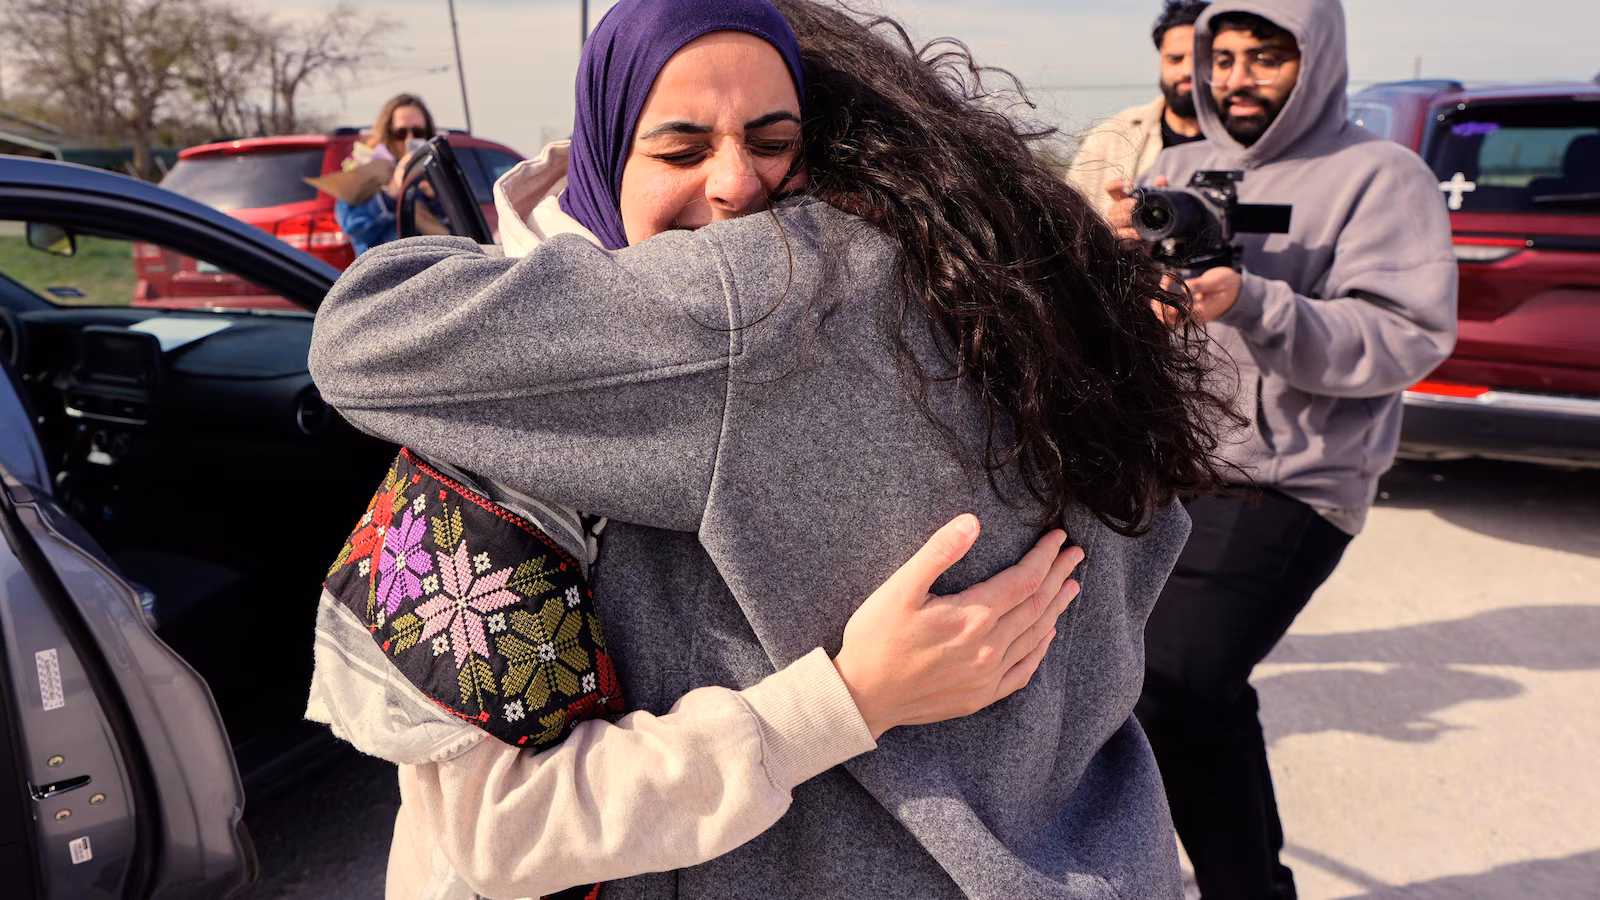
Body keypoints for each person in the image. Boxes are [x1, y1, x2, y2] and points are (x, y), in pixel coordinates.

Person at [310, 0, 1232, 898]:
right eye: (679, 148)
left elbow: (361, 333)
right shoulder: (1012, 285)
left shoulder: (790, 290)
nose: (735, 185)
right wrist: (846, 700)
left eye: (773, 141)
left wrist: (846, 705)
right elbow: (497, 828)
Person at [1106, 1, 1458, 897]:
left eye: (1265, 57)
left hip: (1294, 479)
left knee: (1176, 684)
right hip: (1173, 465)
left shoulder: (1381, 176)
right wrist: (1109, 263)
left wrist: (1256, 302)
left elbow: (1407, 336)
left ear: (1317, 58)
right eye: (1220, 58)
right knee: (1189, 695)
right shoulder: (1178, 166)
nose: (1235, 78)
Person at [1067, 0, 1208, 217]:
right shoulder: (1111, 139)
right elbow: (1068, 229)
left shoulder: (1255, 142)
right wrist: (1111, 233)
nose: (1187, 70)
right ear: (1161, 60)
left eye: (1200, 58)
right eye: (1175, 59)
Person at [334, 93, 437, 255]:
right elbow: (353, 227)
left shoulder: (437, 170)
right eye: (400, 133)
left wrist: (435, 198)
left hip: (435, 272)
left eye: (417, 132)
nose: (409, 139)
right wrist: (389, 196)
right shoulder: (364, 170)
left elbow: (460, 233)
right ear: (388, 133)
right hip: (385, 275)